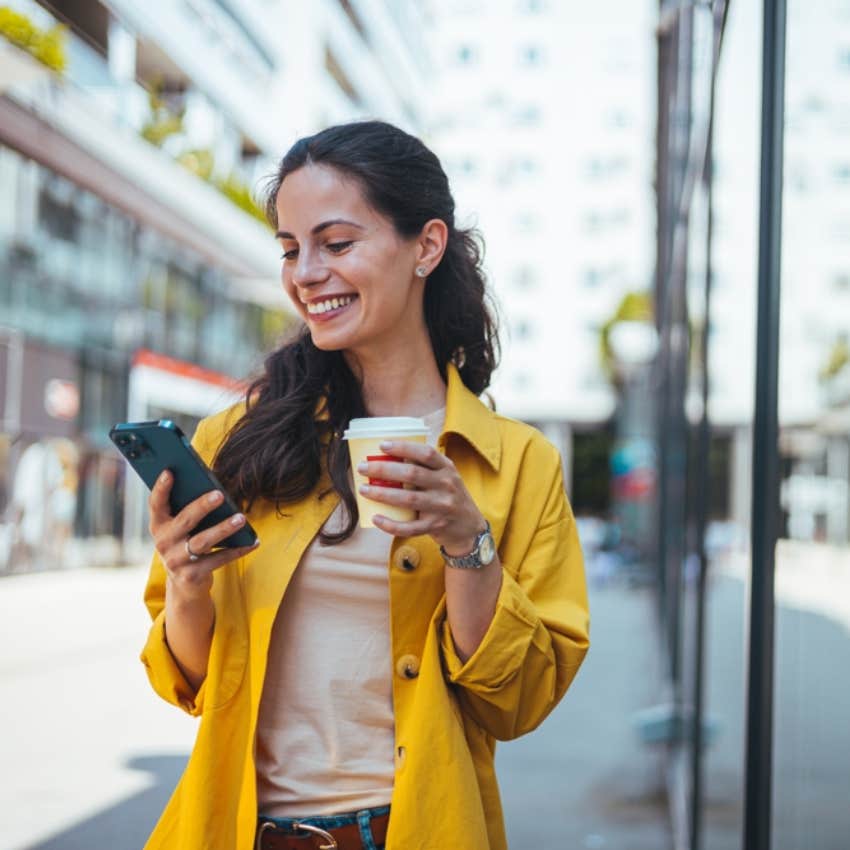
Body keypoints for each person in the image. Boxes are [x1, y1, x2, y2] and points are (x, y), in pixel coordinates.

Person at [141, 120, 590, 850]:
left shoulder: (518, 464)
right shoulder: (237, 438)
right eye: (290, 249)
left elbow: (520, 701)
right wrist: (187, 584)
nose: (305, 273)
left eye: (336, 244)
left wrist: (466, 543)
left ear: (427, 246)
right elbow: (187, 682)